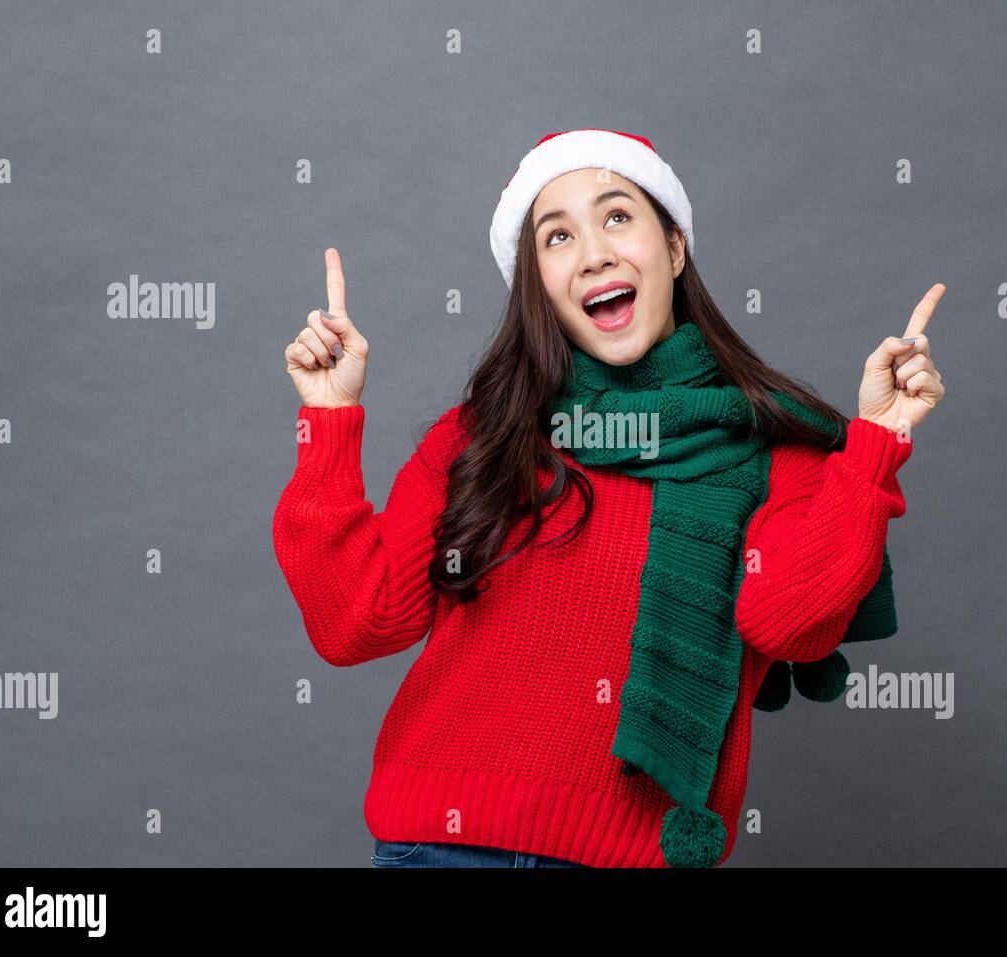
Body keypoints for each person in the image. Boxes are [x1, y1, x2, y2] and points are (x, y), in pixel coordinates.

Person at [272, 129, 945, 868]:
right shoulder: (480, 437)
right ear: (539, 283)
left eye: (617, 216)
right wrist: (329, 421)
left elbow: (792, 625)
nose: (593, 252)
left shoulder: (768, 446)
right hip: (437, 849)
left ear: (676, 247)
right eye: (557, 236)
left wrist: (875, 443)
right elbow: (356, 624)